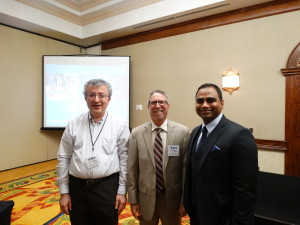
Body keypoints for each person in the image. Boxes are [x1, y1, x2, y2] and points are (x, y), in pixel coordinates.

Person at [56, 79, 130, 225]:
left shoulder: (119, 124)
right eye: (91, 95)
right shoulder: (73, 123)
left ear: (109, 99)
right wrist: (64, 192)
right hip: (77, 189)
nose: (96, 100)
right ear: (85, 98)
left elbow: (125, 159)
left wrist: (122, 191)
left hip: (107, 188)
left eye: (101, 95)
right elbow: (63, 158)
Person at [183, 83, 258, 225]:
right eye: (200, 101)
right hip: (197, 215)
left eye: (210, 100)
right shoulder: (195, 133)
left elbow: (245, 190)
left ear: (222, 103)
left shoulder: (240, 135)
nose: (204, 105)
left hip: (223, 218)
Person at [127, 90, 190, 225]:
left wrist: (185, 200)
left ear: (168, 106)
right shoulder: (136, 133)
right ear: (148, 106)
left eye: (161, 102)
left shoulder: (182, 132)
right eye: (153, 102)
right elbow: (132, 169)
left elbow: (186, 170)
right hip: (145, 199)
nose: (157, 105)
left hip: (172, 199)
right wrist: (133, 200)